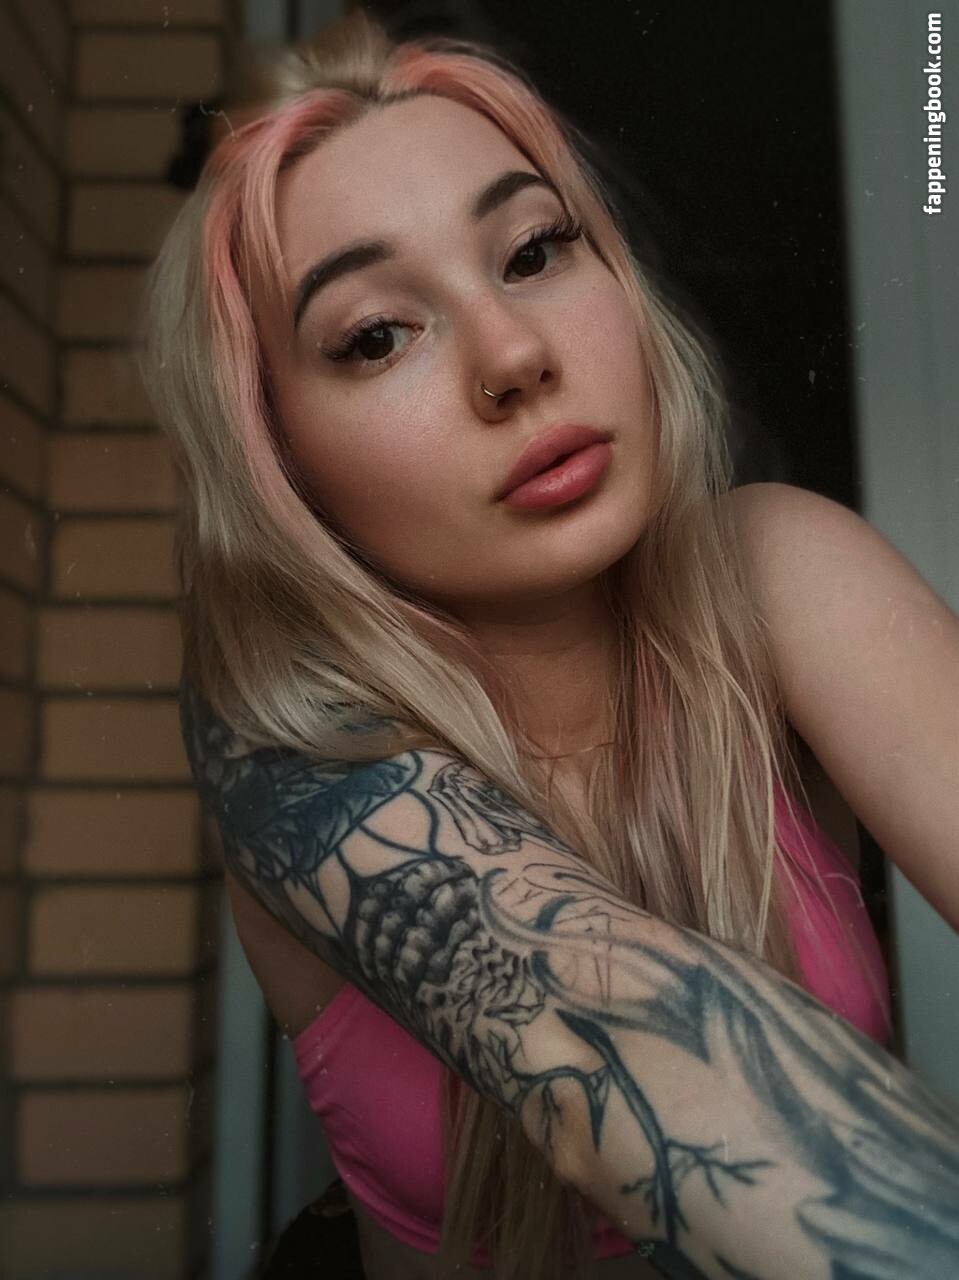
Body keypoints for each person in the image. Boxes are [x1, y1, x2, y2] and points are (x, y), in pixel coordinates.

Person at [139, 11, 959, 1280]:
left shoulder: (775, 572)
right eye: (375, 334)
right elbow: (618, 1043)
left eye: (532, 251)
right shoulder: (287, 734)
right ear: (280, 460)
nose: (514, 356)